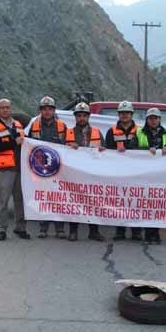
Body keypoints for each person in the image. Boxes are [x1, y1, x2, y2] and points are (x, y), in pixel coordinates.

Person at [0, 98, 30, 241]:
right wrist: (14, 142)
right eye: (2, 107)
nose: (5, 110)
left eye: (7, 107)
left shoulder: (18, 125)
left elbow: (26, 142)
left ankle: (20, 228)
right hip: (4, 168)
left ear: (11, 108)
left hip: (19, 167)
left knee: (20, 199)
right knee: (3, 200)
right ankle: (1, 229)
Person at [65, 102, 106, 242]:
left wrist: (103, 150)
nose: (81, 118)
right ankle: (73, 231)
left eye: (84, 115)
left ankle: (94, 231)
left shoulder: (97, 132)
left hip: (92, 173)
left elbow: (105, 151)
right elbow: (60, 150)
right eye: (79, 116)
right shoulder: (68, 132)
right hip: (74, 173)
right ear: (75, 117)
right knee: (74, 202)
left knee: (93, 202)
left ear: (88, 117)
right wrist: (69, 146)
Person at [29, 96, 68, 239]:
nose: (47, 111)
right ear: (40, 110)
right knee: (43, 198)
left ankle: (60, 228)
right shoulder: (34, 126)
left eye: (49, 109)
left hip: (57, 167)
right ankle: (43, 227)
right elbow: (29, 145)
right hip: (40, 168)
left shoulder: (62, 126)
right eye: (44, 109)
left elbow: (67, 146)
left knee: (58, 197)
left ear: (54, 110)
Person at [105, 101, 142, 242]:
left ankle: (136, 231)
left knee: (135, 201)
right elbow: (107, 151)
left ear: (131, 114)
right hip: (118, 172)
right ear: (118, 115)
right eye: (122, 113)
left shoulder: (139, 131)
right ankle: (120, 230)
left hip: (135, 172)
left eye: (127, 113)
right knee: (119, 201)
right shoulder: (112, 131)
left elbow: (144, 148)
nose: (124, 115)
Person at [136, 107, 166, 244]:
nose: (153, 120)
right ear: (147, 119)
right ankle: (146, 233)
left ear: (159, 119)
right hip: (144, 173)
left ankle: (156, 233)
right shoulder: (139, 132)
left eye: (155, 118)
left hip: (161, 174)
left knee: (158, 204)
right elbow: (132, 149)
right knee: (145, 204)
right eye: (150, 118)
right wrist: (146, 149)